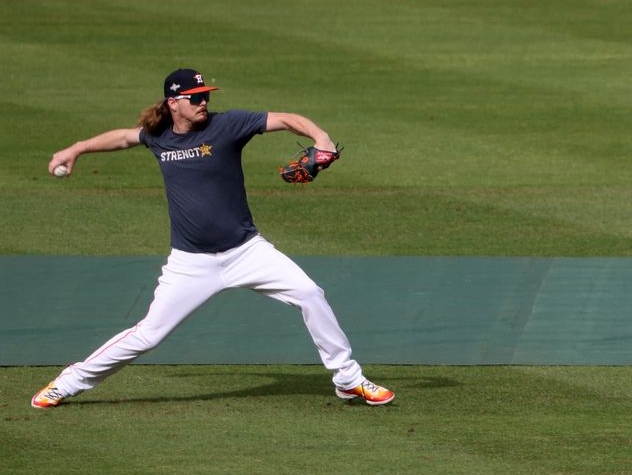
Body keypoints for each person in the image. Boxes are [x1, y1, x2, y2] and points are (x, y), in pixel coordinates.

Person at [31, 68, 394, 408]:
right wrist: (76, 147)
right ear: (174, 103)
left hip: (247, 251)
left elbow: (285, 119)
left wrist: (321, 138)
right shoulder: (158, 136)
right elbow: (125, 137)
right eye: (195, 97)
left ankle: (347, 378)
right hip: (191, 263)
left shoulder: (228, 125)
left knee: (310, 294)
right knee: (148, 335)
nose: (204, 102)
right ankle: (69, 382)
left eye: (205, 95)